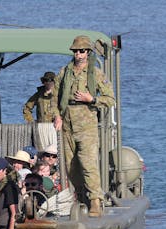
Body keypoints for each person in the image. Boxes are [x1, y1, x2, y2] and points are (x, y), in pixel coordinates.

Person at [53, 35, 115, 217]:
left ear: (88, 52)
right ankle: (81, 198)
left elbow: (110, 99)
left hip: (86, 122)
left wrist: (92, 99)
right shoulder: (64, 72)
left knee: (88, 163)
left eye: (81, 51)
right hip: (68, 122)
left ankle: (96, 200)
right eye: (75, 51)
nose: (78, 54)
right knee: (71, 165)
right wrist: (57, 116)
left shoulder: (95, 73)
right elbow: (55, 97)